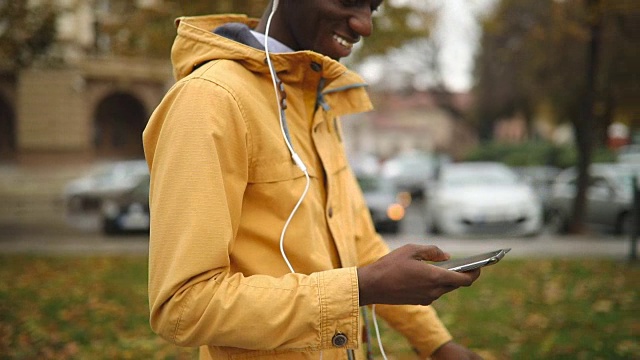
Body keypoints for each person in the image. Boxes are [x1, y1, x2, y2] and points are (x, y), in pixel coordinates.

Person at [143, 1, 483, 359]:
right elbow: (183, 305)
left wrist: (437, 344)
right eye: (349, 1)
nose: (365, 26)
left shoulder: (314, 98)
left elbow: (361, 244)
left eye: (373, 7)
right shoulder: (209, 100)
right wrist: (359, 289)